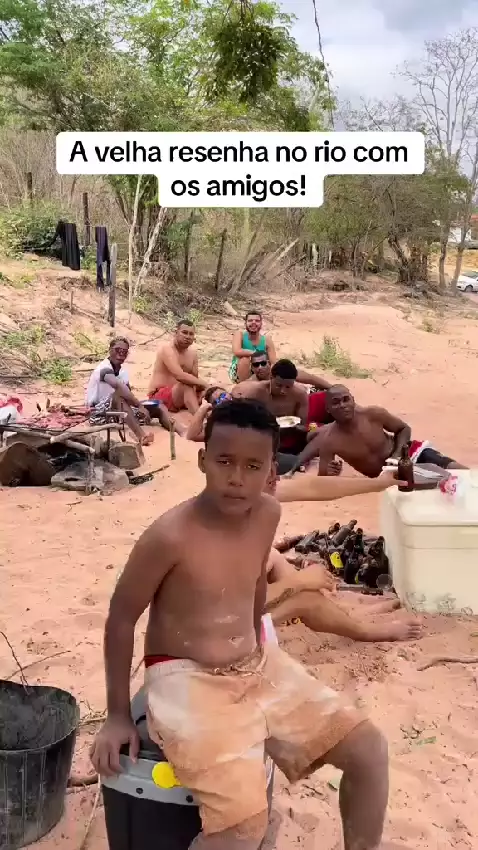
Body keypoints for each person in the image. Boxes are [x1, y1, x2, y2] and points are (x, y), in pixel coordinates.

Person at [91, 398, 393, 850]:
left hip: (254, 664)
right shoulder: (170, 536)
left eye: (253, 466)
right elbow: (120, 618)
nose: (236, 477)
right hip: (186, 678)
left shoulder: (268, 513)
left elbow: (252, 581)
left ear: (272, 471)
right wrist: (117, 716)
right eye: (224, 461)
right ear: (202, 460)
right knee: (244, 826)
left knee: (369, 751)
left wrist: (258, 647)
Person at [289, 384, 467, 478]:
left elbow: (403, 428)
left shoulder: (373, 414)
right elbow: (323, 479)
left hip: (409, 455)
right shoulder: (329, 440)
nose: (342, 405)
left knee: (456, 471)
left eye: (346, 400)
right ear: (328, 409)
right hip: (385, 480)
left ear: (353, 400)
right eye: (336, 403)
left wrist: (396, 455)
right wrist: (331, 472)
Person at [265, 547, 421, 643]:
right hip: (249, 635)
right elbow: (248, 603)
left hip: (251, 612)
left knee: (272, 557)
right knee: (306, 599)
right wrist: (300, 580)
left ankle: (334, 612)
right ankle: (364, 631)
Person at [85, 338, 154, 446]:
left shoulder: (123, 372)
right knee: (118, 397)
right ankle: (141, 437)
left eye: (124, 351)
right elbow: (119, 387)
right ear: (110, 350)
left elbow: (128, 395)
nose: (121, 353)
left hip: (117, 412)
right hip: (98, 414)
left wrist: (142, 408)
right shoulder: (104, 369)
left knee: (155, 406)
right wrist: (139, 405)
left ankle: (179, 432)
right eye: (118, 350)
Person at [148, 319, 207, 414]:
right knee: (187, 386)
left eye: (191, 334)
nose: (187, 337)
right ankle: (199, 418)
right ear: (176, 333)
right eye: (184, 332)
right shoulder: (166, 349)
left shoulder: (193, 354)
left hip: (181, 396)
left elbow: (194, 380)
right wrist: (205, 384)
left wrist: (207, 388)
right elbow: (179, 376)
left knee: (213, 389)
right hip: (160, 396)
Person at [228, 310, 277, 383]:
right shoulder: (239, 335)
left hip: (259, 369)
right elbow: (237, 351)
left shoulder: (267, 340)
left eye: (257, 321)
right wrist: (257, 354)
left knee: (269, 364)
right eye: (250, 320)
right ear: (245, 323)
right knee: (245, 360)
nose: (253, 322)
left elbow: (273, 362)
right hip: (239, 371)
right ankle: (244, 387)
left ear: (261, 323)